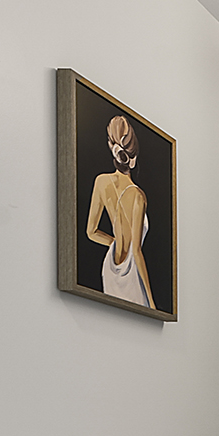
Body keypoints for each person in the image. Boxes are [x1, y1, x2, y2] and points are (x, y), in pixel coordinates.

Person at [86, 115, 153, 307]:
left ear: (110, 146)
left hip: (110, 267)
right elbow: (137, 252)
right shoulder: (138, 196)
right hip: (132, 271)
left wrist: (115, 242)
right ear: (134, 157)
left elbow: (91, 232)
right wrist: (152, 303)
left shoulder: (100, 182)